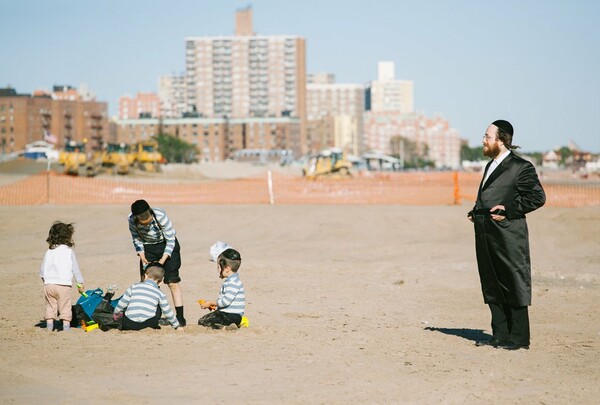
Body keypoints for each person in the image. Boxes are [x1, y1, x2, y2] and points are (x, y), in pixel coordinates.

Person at [468, 120, 546, 350]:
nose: (483, 140)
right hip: (485, 232)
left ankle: (519, 339)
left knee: (513, 282)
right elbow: (490, 195)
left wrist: (509, 210)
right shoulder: (489, 165)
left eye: (487, 136)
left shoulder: (521, 167)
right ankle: (500, 335)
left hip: (509, 235)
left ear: (501, 140)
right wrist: (477, 211)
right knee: (491, 282)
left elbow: (537, 198)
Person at [128, 199, 186, 326]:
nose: (145, 219)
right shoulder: (131, 220)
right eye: (141, 218)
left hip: (167, 245)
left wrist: (162, 261)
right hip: (148, 247)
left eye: (146, 216)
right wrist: (141, 255)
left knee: (172, 281)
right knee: (148, 282)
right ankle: (152, 318)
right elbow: (136, 239)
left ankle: (180, 318)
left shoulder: (160, 215)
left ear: (150, 211)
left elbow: (170, 240)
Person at [40, 221, 85, 332]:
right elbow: (75, 269)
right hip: (63, 285)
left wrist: (45, 280)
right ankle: (66, 328)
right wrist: (80, 282)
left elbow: (42, 270)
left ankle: (49, 326)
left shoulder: (49, 252)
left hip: (49, 284)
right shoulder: (68, 252)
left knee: (50, 306)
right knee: (65, 306)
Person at [113, 262, 183, 331]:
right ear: (161, 282)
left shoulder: (133, 287)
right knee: (159, 306)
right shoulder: (160, 293)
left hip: (129, 324)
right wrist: (176, 325)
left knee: (130, 302)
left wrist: (116, 314)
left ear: (145, 276)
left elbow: (121, 304)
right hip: (148, 324)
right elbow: (167, 311)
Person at [199, 248, 245, 330]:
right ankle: (231, 325)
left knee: (203, 321)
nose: (218, 269)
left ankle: (226, 327)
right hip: (233, 316)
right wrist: (215, 306)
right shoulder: (234, 281)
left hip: (230, 316)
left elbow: (225, 302)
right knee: (212, 318)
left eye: (219, 267)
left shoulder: (232, 283)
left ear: (227, 268)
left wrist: (210, 303)